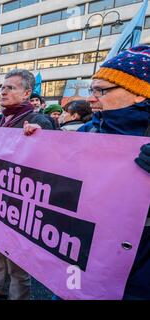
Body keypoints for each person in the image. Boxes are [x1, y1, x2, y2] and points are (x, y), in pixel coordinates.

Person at [25, 46, 150, 300]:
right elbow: (58, 174)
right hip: (80, 254)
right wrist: (37, 144)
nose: (91, 98)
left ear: (139, 94)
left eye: (100, 90)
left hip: (136, 273)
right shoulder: (89, 132)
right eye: (92, 90)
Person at [0, 69, 54, 300]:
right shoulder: (2, 119)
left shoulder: (38, 121)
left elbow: (54, 158)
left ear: (27, 93)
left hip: (20, 203)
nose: (3, 91)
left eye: (11, 87)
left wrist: (43, 137)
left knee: (17, 259)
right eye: (2, 87)